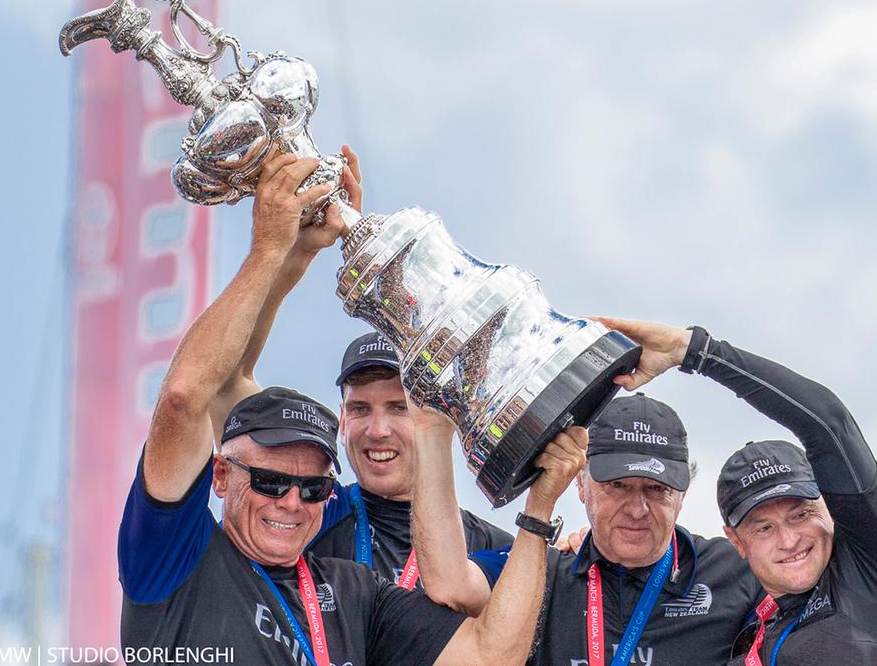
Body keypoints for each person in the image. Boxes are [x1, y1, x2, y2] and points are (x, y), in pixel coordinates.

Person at [118, 147, 588, 666]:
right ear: (222, 475)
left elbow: (488, 649)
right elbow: (200, 392)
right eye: (360, 408)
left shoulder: (357, 591)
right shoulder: (186, 557)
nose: (293, 501)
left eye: (313, 487)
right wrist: (282, 253)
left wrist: (544, 517)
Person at [606, 316, 877, 665]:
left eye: (800, 515)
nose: (789, 539)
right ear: (736, 541)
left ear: (828, 508)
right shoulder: (752, 634)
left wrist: (698, 351)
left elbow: (830, 424)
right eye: (764, 527)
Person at [413, 391, 766, 666]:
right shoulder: (542, 574)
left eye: (657, 489)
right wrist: (431, 433)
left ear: (682, 494)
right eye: (617, 486)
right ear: (580, 485)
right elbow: (450, 585)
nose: (637, 509)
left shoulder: (735, 568)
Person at [308, 332, 513, 588]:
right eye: (360, 409)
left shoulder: (497, 548)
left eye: (399, 407)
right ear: (343, 420)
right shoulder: (306, 511)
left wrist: (577, 553)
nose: (377, 430)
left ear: (440, 418)